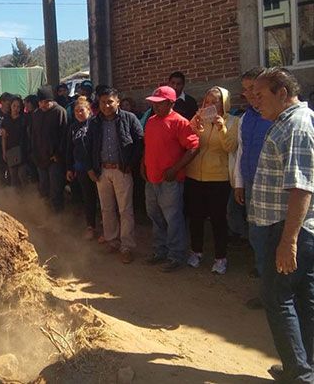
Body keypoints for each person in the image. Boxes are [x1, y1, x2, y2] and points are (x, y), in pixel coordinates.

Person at [249, 67, 314, 383]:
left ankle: (299, 374)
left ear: (282, 93)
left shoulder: (296, 128)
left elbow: (301, 188)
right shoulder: (287, 123)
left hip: (287, 230)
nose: (254, 102)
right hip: (290, 229)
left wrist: (288, 241)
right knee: (302, 298)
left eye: (260, 96)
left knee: (278, 300)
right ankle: (302, 366)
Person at [142, 86, 200, 272]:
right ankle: (160, 251)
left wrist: (175, 169)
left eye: (160, 104)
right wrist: (143, 163)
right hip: (151, 179)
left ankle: (176, 256)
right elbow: (149, 146)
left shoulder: (180, 122)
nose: (155, 107)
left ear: (171, 103)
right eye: (153, 103)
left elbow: (193, 147)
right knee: (155, 216)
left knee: (173, 218)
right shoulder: (151, 121)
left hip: (170, 181)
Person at [184, 87, 237, 274]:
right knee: (196, 217)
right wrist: (194, 123)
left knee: (218, 219)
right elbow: (188, 140)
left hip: (218, 178)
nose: (210, 105)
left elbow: (230, 146)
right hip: (194, 175)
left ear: (224, 103)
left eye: (215, 101)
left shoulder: (233, 121)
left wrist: (222, 127)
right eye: (207, 101)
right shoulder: (200, 119)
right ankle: (196, 251)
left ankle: (220, 257)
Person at [88, 88, 144, 263]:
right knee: (107, 208)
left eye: (110, 101)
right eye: (103, 102)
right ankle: (112, 241)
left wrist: (131, 164)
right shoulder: (95, 122)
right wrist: (91, 168)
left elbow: (140, 142)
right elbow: (88, 146)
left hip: (122, 170)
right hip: (102, 171)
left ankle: (126, 246)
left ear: (117, 102)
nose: (106, 105)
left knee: (125, 210)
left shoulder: (129, 118)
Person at [233, 67, 274, 282]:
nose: (249, 95)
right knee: (257, 234)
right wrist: (239, 183)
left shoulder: (279, 117)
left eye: (253, 89)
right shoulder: (245, 118)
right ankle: (264, 276)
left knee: (275, 237)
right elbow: (242, 150)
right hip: (251, 184)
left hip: (275, 188)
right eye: (246, 90)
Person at [65, 97, 98, 240]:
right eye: (76, 111)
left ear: (89, 111)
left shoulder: (95, 124)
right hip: (81, 168)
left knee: (104, 200)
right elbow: (69, 149)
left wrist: (93, 167)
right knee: (88, 197)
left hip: (96, 167)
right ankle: (90, 226)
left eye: (82, 110)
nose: (79, 113)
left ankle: (109, 227)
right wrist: (69, 168)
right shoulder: (73, 127)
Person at [30, 85, 67, 212]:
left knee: (56, 190)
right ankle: (45, 216)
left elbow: (64, 136)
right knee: (43, 188)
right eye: (40, 102)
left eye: (46, 102)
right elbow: (33, 135)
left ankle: (58, 219)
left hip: (54, 159)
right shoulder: (36, 114)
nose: (43, 105)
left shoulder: (59, 112)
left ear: (51, 100)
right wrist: (34, 153)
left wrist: (58, 154)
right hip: (40, 157)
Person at [1, 96, 27, 188]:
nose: (16, 108)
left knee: (22, 175)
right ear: (10, 106)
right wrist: (4, 152)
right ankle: (15, 198)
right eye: (14, 106)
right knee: (13, 176)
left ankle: (27, 197)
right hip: (10, 150)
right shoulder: (6, 119)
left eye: (18, 106)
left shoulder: (24, 119)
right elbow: (3, 137)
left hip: (22, 150)